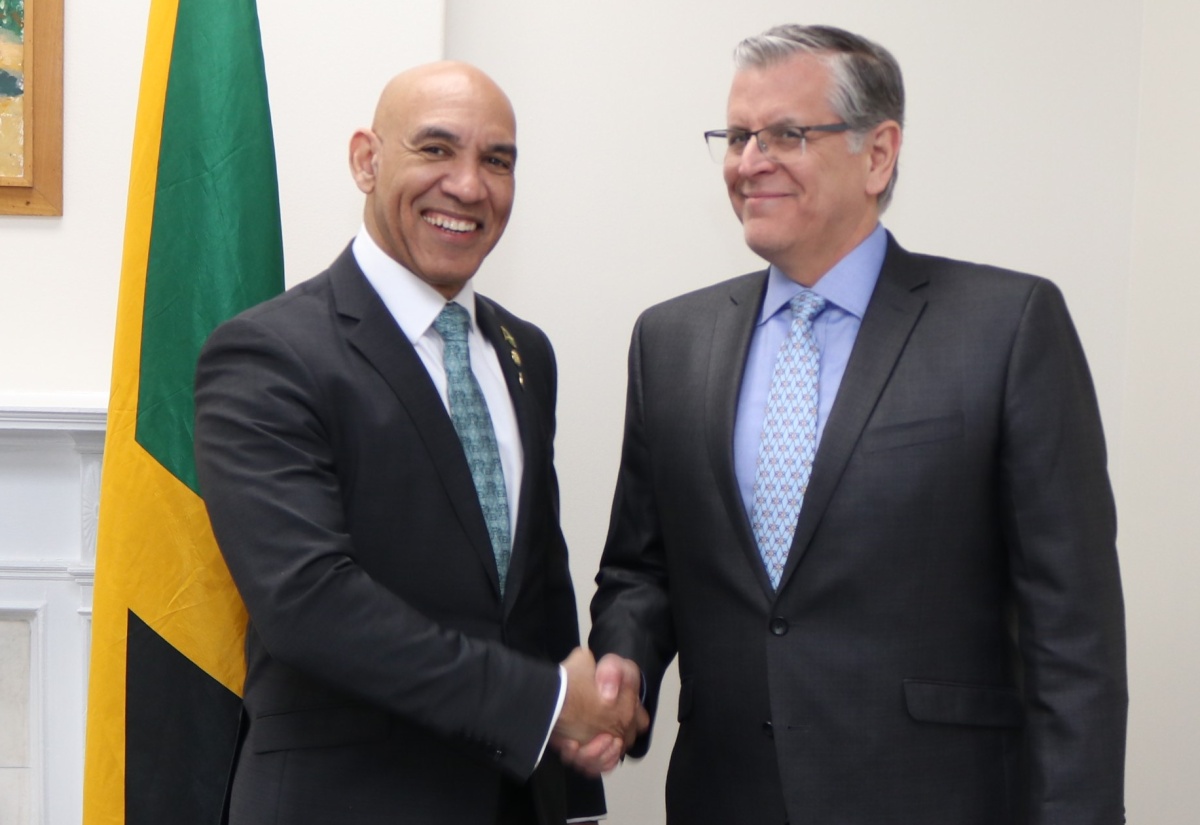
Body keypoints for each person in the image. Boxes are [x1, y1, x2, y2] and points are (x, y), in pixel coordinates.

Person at [587, 24, 1127, 825]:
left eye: (786, 134)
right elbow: (642, 567)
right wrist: (623, 660)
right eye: (736, 136)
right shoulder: (670, 341)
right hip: (726, 798)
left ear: (878, 154)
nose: (748, 161)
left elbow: (1072, 634)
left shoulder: (1006, 328)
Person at [194, 61, 645, 825]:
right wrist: (544, 703)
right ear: (366, 160)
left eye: (497, 160)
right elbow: (310, 604)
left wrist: (576, 760)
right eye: (436, 149)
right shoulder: (268, 354)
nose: (468, 185)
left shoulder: (524, 352)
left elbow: (534, 586)